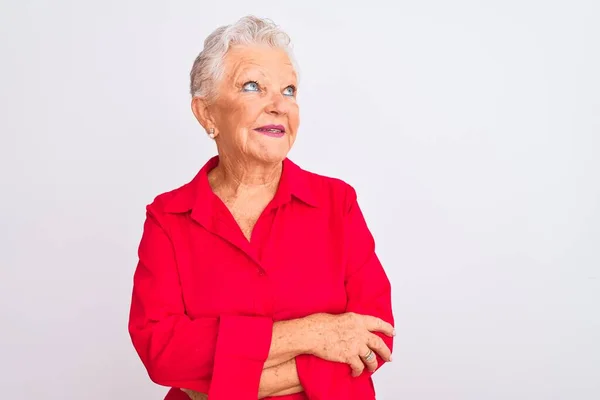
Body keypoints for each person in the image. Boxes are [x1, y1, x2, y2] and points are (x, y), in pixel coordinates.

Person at [128, 15, 395, 400]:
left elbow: (373, 337)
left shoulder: (338, 203)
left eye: (289, 91)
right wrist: (313, 332)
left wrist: (215, 385)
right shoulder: (168, 218)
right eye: (253, 86)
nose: (278, 106)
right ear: (206, 113)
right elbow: (163, 353)